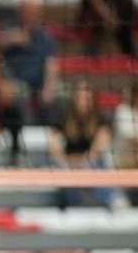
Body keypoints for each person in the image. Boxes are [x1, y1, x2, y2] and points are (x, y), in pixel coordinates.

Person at [47, 80, 119, 209]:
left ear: (92, 100)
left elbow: (98, 150)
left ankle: (114, 201)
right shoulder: (64, 115)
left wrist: (82, 162)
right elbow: (52, 142)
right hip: (68, 161)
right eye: (79, 97)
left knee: (94, 168)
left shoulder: (102, 117)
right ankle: (70, 207)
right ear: (74, 99)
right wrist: (65, 159)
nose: (83, 102)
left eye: (86, 98)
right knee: (63, 170)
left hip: (91, 161)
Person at [0, 0, 59, 117]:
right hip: (13, 82)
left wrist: (48, 87)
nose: (32, 16)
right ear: (20, 11)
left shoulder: (45, 36)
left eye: (35, 12)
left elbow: (51, 64)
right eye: (28, 11)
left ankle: (50, 126)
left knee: (60, 93)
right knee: (22, 92)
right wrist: (11, 38)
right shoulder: (7, 26)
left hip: (38, 83)